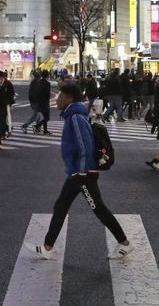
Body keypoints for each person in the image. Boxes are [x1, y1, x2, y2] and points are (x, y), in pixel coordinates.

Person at [34, 82, 131, 260]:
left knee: (98, 208)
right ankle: (48, 247)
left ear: (69, 99)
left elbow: (84, 146)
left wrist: (81, 172)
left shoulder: (76, 118)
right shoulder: (74, 116)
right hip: (78, 173)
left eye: (60, 97)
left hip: (83, 174)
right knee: (62, 205)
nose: (57, 101)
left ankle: (124, 243)